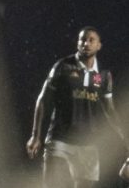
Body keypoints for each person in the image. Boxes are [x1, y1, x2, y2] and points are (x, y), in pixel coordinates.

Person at [26, 26, 129, 187]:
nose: (86, 43)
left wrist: (125, 139)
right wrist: (35, 135)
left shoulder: (102, 75)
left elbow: (110, 110)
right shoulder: (62, 67)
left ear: (99, 45)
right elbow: (43, 99)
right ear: (77, 43)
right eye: (82, 39)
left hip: (88, 145)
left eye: (91, 40)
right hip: (60, 140)